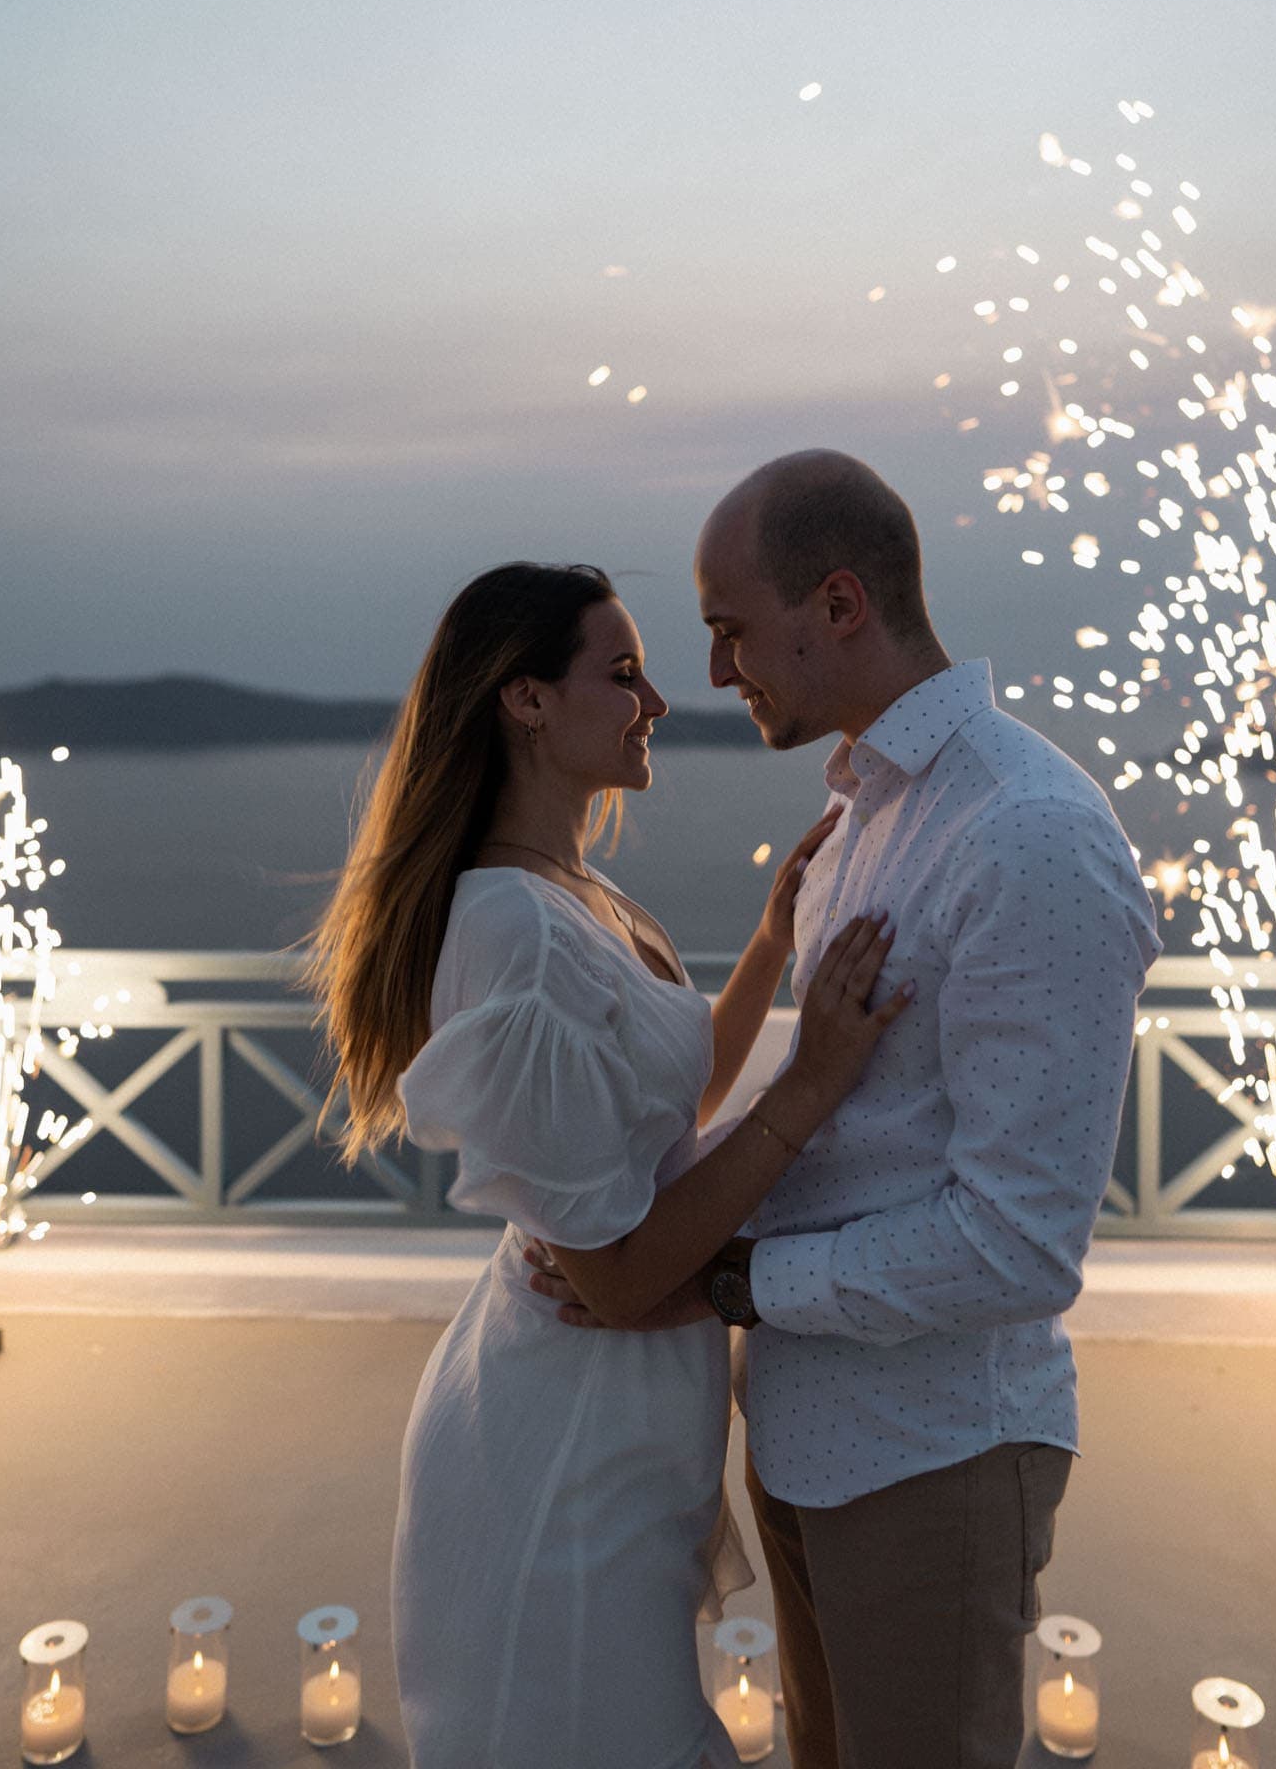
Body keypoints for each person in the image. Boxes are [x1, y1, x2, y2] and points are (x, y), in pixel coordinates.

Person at [532, 451, 1160, 1769]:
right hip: (810, 1436)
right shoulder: (866, 815)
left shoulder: (1023, 833)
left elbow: (1021, 1243)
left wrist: (722, 1281)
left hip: (931, 1459)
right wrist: (644, 1235)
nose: (711, 674)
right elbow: (829, 1116)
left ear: (835, 604)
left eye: (728, 630)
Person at [312, 559, 916, 1769]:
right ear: (526, 701)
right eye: (623, 672)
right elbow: (620, 1279)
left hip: (618, 1428)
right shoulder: (512, 932)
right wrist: (811, 1083)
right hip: (561, 1451)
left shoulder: (569, 890)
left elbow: (659, 1114)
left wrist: (765, 949)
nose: (655, 702)